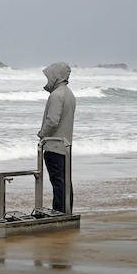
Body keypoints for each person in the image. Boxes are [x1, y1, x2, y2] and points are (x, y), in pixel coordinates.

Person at [37, 62, 76, 213]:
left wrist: (42, 134)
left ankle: (59, 212)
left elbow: (52, 121)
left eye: (49, 76)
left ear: (56, 76)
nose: (47, 80)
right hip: (66, 146)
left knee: (58, 183)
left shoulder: (56, 95)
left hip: (54, 146)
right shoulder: (69, 94)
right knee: (66, 182)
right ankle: (67, 211)